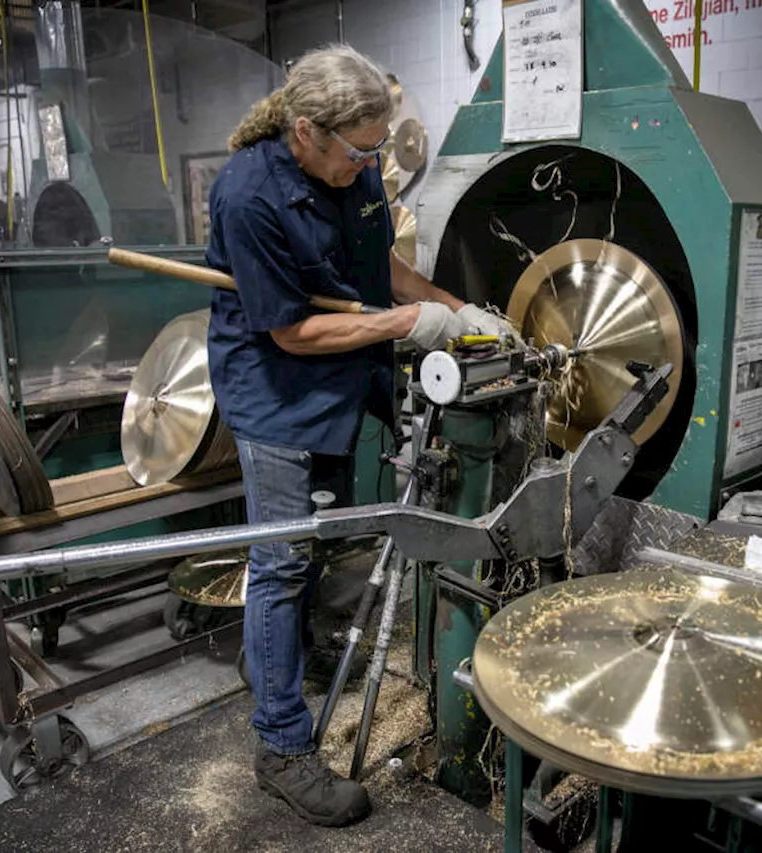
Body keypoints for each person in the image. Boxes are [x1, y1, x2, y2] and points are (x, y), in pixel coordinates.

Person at [204, 45, 513, 828]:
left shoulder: (357, 163)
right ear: (305, 132)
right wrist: (413, 325)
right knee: (280, 559)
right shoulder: (249, 197)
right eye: (360, 151)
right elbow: (293, 332)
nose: (371, 162)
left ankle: (269, 655)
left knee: (319, 537)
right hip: (277, 390)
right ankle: (280, 745)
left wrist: (459, 315)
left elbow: (382, 274)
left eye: (377, 149)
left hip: (344, 376)